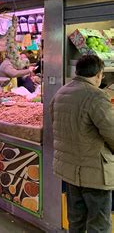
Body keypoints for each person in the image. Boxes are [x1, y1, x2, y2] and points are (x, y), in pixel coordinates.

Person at [51, 55, 114, 232]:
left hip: (70, 170)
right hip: (95, 172)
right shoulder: (96, 96)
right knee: (99, 224)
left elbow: (56, 124)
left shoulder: (61, 93)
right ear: (99, 74)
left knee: (76, 221)